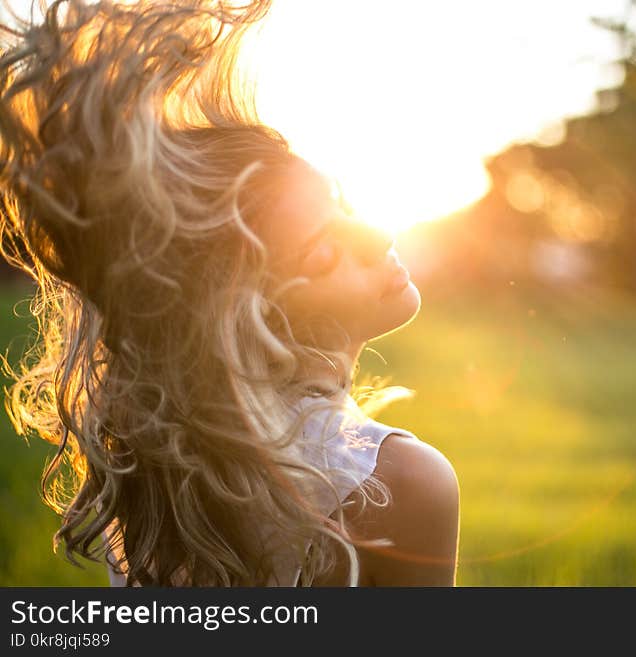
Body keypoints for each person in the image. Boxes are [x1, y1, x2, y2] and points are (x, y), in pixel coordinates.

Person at [0, 0, 459, 586]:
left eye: (343, 202)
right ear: (246, 317)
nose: (378, 235)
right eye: (322, 252)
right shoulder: (398, 482)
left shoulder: (156, 471)